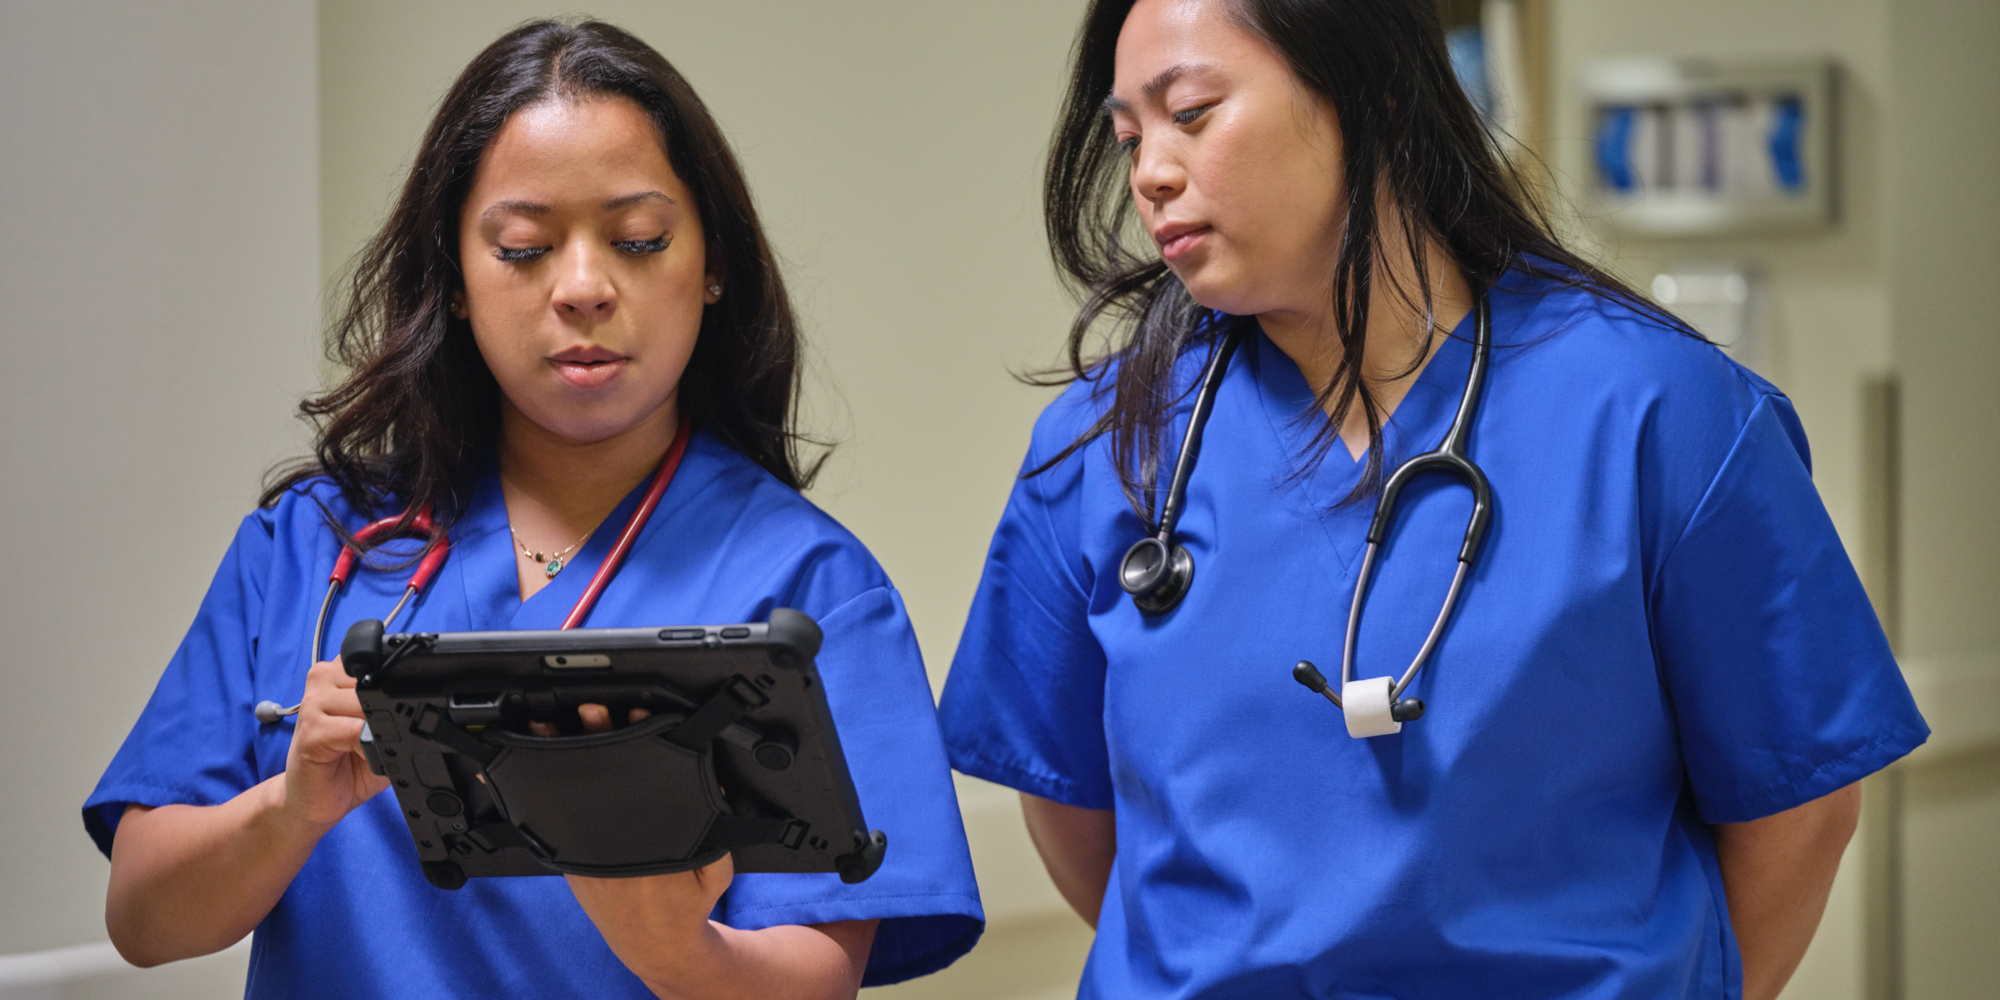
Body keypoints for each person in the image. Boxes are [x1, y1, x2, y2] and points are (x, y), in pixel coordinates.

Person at [936, 1, 1926, 998]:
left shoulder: (1653, 412)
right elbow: (1071, 812)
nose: (1148, 170)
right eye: (1128, 136)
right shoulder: (1106, 446)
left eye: (1190, 112)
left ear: (1370, 91)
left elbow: (1796, 809)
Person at [84, 19, 980, 999]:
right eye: (521, 248)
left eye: (638, 239)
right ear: (455, 278)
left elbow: (816, 980)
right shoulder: (309, 547)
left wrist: (674, 946)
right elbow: (143, 918)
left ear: (712, 263)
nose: (584, 288)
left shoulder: (809, 590)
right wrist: (289, 808)